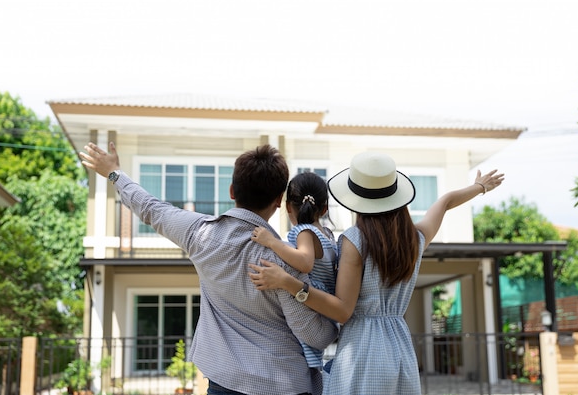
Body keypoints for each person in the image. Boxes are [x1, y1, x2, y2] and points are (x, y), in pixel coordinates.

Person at [79, 142, 338, 395]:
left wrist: (114, 174)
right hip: (281, 384)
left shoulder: (199, 234)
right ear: (279, 201)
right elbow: (315, 335)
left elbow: (151, 209)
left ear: (232, 191)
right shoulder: (283, 262)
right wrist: (335, 325)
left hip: (223, 381)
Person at [248, 151, 504, 395]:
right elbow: (444, 202)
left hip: (361, 352)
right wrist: (479, 187)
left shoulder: (354, 240)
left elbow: (342, 310)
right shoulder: (414, 238)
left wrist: (289, 284)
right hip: (400, 347)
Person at [250, 171, 338, 371]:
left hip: (313, 307)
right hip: (326, 311)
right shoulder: (328, 234)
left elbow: (305, 263)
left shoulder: (304, 232)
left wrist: (272, 242)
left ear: (288, 206)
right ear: (324, 209)